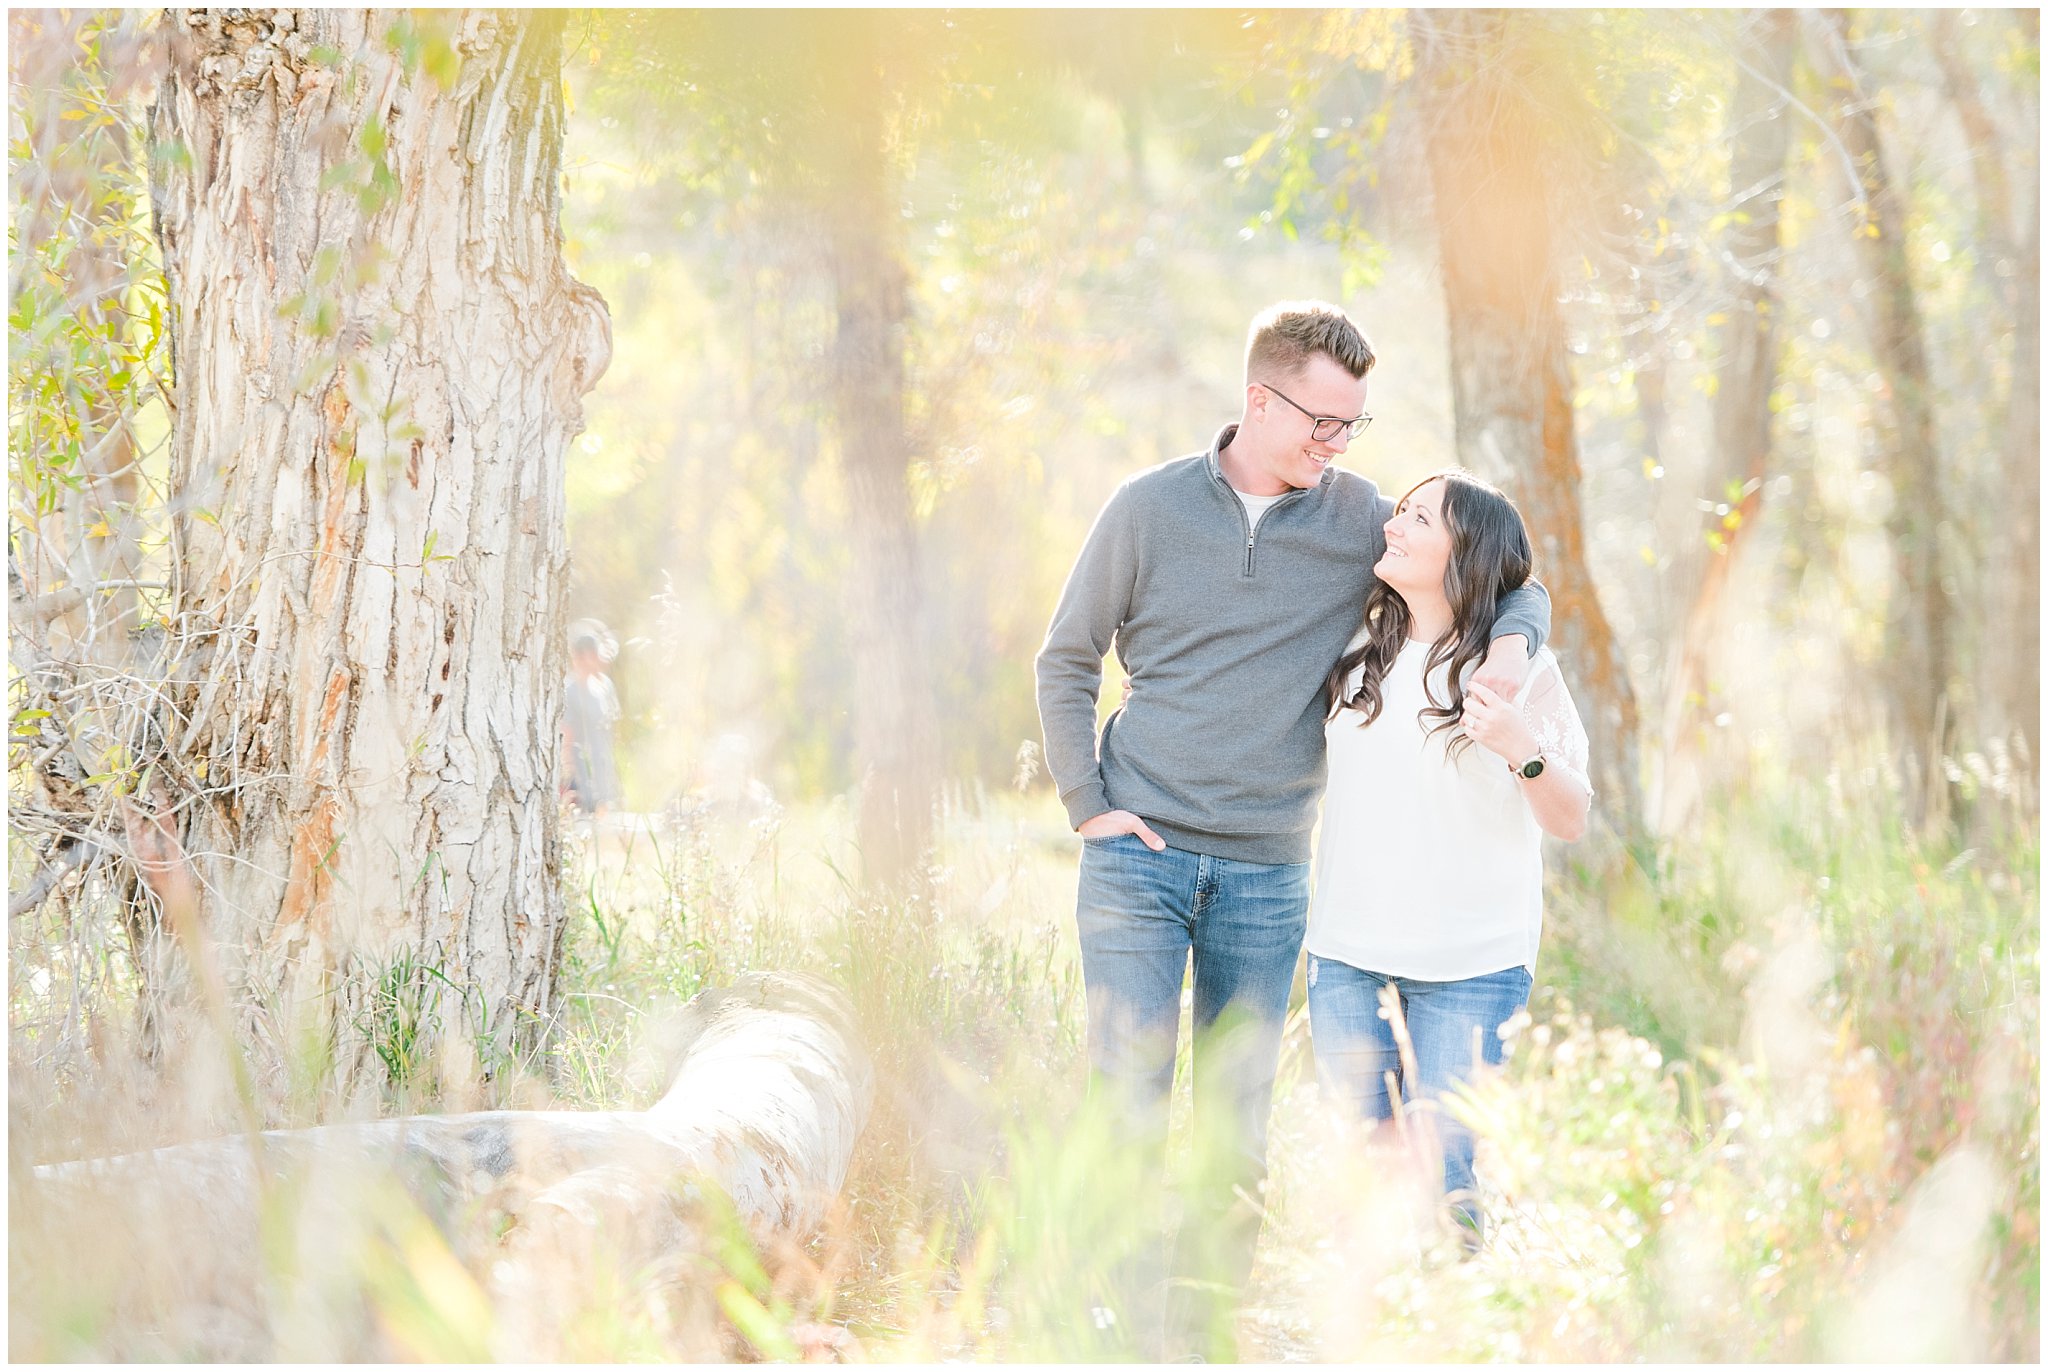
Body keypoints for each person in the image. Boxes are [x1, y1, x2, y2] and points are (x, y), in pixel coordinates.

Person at [1033, 302, 1552, 1358]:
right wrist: (1087, 802)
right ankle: (1117, 1328)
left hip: (1268, 871)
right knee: (1126, 1103)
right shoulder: (1146, 509)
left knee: (1233, 1119)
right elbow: (1067, 658)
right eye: (1321, 420)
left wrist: (1510, 647)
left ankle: (1206, 1329)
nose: (1337, 443)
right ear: (1257, 401)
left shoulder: (1358, 516)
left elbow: (1503, 573)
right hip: (1135, 861)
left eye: (1352, 424)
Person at [1306, 471, 1592, 1252]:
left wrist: (1522, 752)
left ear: (1464, 551)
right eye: (1399, 510)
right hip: (1348, 955)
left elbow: (1571, 817)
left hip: (1473, 966)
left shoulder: (1521, 671)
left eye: (1419, 517)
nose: (1394, 525)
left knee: (1450, 1186)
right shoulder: (1355, 644)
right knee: (1361, 1187)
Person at [561, 618, 622, 816]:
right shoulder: (568, 691)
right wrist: (568, 780)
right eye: (592, 654)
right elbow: (566, 736)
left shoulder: (605, 687)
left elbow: (610, 736)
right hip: (580, 779)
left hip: (603, 774)